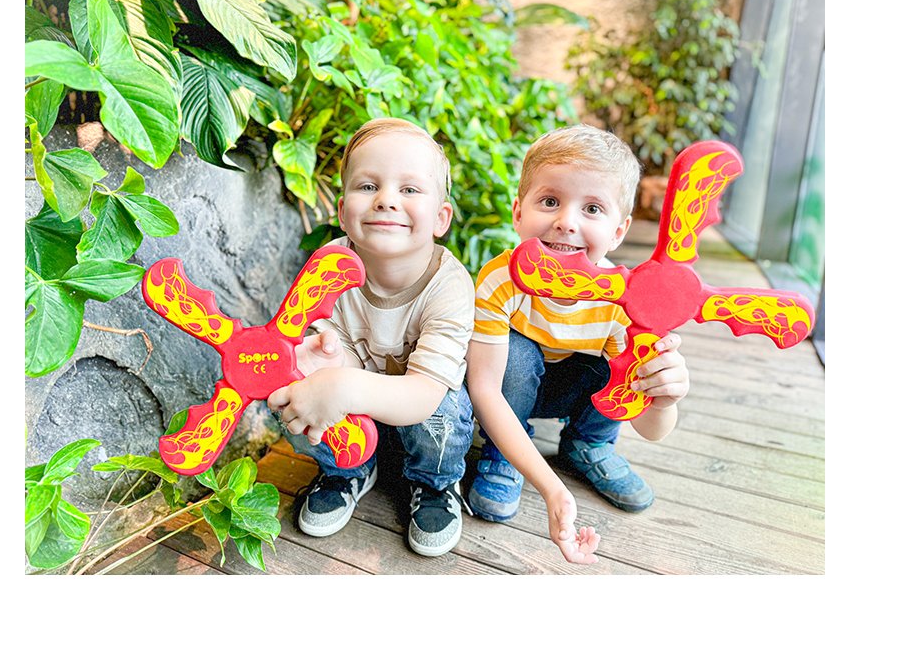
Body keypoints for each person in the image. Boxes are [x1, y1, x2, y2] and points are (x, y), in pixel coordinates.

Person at [467, 124, 691, 564]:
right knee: (516, 353)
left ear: (619, 231)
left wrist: (664, 398)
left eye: (592, 208)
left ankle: (589, 443)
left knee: (619, 361)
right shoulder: (499, 280)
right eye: (550, 201)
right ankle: (505, 452)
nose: (566, 222)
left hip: (581, 388)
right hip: (511, 392)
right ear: (518, 213)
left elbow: (651, 428)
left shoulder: (624, 302)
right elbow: (484, 390)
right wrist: (550, 486)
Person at [267, 118, 475, 557]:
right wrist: (320, 361)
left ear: (441, 218)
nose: (386, 200)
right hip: (359, 405)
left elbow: (423, 395)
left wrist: (342, 385)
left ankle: (435, 483)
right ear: (343, 212)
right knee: (293, 389)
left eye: (410, 189)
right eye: (368, 186)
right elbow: (330, 350)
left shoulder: (450, 285)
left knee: (445, 409)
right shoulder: (329, 266)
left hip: (421, 407)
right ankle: (346, 469)